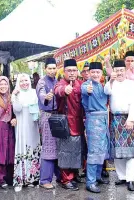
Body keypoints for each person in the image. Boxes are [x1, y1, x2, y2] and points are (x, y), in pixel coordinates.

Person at [104, 60, 134, 191]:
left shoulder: (132, 84)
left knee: (130, 151)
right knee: (117, 150)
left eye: (121, 70)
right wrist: (111, 80)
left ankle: (130, 179)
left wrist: (131, 119)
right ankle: (122, 177)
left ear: (125, 70)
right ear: (114, 71)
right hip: (115, 119)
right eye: (117, 70)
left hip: (128, 119)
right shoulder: (111, 83)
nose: (119, 73)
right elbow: (106, 91)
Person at [54, 58, 87, 191]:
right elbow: (58, 91)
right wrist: (64, 90)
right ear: (64, 72)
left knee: (77, 150)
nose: (72, 73)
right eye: (69, 71)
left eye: (74, 70)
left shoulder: (81, 83)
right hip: (66, 124)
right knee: (66, 152)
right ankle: (65, 179)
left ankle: (73, 175)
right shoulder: (61, 83)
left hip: (79, 123)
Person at [81, 62, 111, 193]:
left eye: (97, 72)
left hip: (104, 120)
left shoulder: (103, 85)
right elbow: (85, 90)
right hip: (93, 120)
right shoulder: (87, 85)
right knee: (94, 151)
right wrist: (88, 90)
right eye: (92, 72)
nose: (95, 74)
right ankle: (90, 182)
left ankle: (97, 176)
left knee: (102, 150)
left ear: (101, 73)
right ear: (89, 73)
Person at [11, 73, 41, 191]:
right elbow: (17, 109)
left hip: (33, 124)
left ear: (30, 81)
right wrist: (15, 96)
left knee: (34, 146)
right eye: (21, 81)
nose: (24, 83)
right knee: (23, 147)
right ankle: (22, 178)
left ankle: (33, 178)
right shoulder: (16, 94)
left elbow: (40, 107)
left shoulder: (34, 92)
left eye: (26, 80)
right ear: (18, 82)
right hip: (22, 125)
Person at [36, 58, 60, 189]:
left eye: (53, 68)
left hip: (58, 116)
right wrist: (45, 97)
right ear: (45, 69)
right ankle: (45, 180)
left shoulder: (57, 81)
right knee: (48, 148)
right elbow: (41, 93)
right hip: (47, 117)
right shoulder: (42, 82)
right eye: (49, 68)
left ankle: (59, 176)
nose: (52, 70)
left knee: (57, 147)